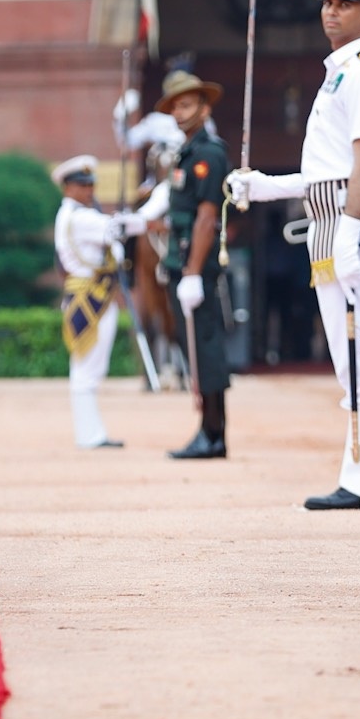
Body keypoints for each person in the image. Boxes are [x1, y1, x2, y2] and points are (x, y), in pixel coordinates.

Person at [231, 0, 360, 510]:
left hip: (351, 226)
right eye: (327, 3)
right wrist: (262, 187)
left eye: (344, 4)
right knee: (348, 360)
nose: (332, 11)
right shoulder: (340, 72)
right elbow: (325, 171)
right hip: (329, 225)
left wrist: (351, 235)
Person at [158, 71, 233, 459]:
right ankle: (208, 430)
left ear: (204, 108)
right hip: (181, 261)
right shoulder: (186, 152)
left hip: (196, 266)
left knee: (206, 347)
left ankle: (214, 433)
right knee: (195, 351)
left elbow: (207, 218)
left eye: (187, 104)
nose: (180, 112)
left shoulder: (208, 153)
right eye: (175, 106)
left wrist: (191, 272)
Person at [52, 155, 143, 449]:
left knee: (88, 370)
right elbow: (117, 230)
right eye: (82, 185)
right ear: (68, 187)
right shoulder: (80, 218)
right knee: (86, 371)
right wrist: (140, 218)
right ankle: (90, 437)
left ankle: (92, 434)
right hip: (91, 298)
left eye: (90, 184)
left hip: (90, 295)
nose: (89, 190)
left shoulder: (76, 215)